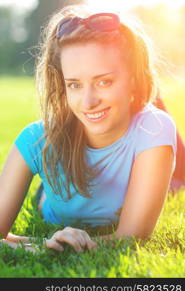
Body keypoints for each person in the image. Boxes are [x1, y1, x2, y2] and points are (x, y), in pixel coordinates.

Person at [0, 4, 180, 253]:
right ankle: (47, 191)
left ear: (133, 78)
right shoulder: (36, 139)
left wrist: (67, 246)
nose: (88, 102)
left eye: (104, 81)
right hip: (54, 195)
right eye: (74, 85)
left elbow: (131, 236)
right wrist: (46, 246)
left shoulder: (155, 128)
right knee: (51, 182)